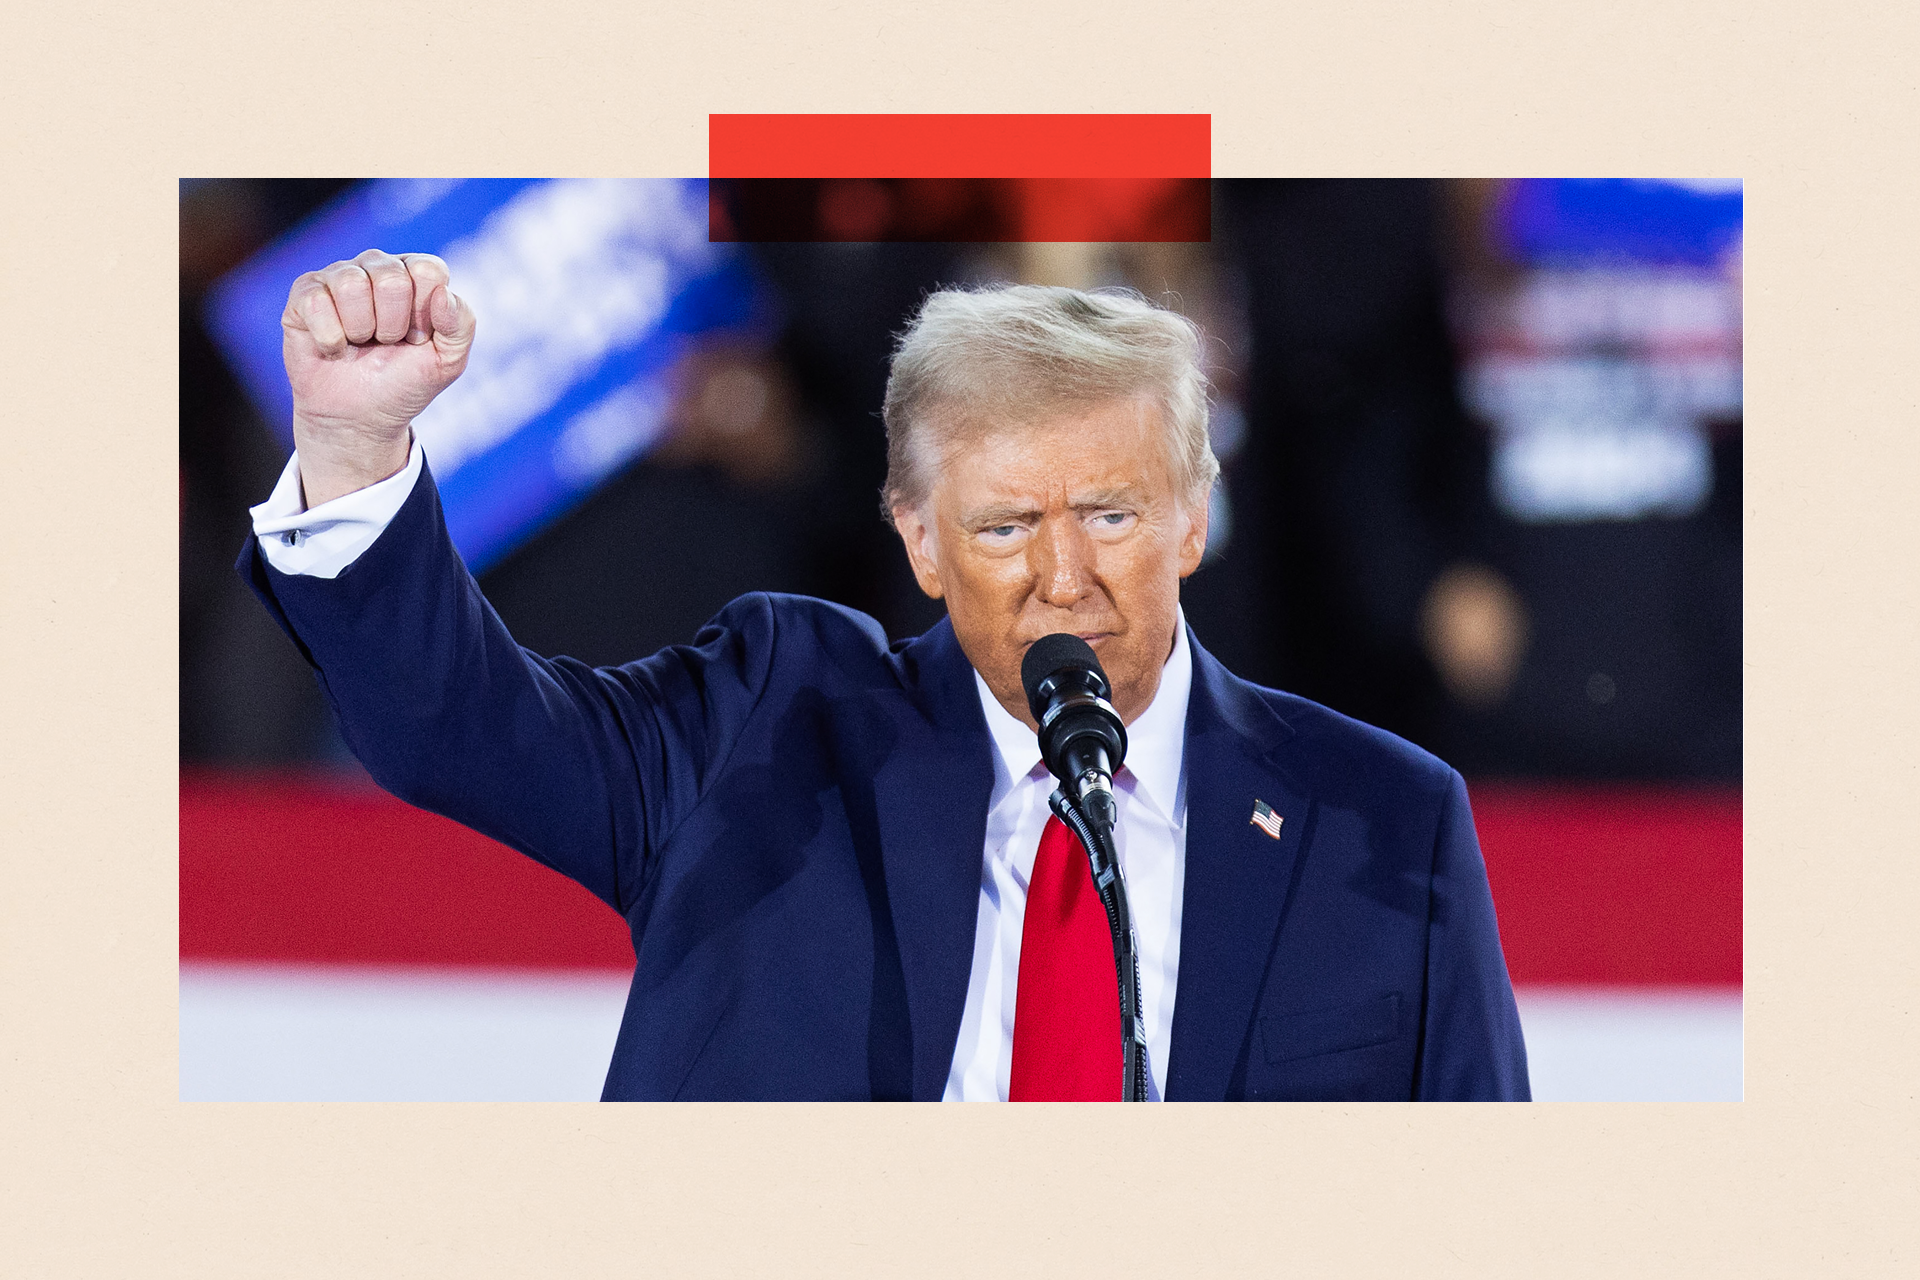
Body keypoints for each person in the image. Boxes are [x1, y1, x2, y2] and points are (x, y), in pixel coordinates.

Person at [240, 248, 1530, 1101]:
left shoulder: (1386, 820)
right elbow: (457, 728)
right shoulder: (771, 722)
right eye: (1005, 526)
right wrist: (355, 448)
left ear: (1196, 518)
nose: (1063, 575)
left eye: (1114, 515)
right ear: (916, 537)